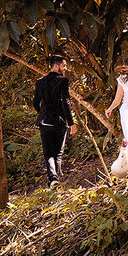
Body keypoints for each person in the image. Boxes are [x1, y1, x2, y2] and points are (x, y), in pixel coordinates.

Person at [34, 54, 77, 187]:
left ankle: (53, 179)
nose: (65, 68)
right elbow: (66, 102)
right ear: (56, 66)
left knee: (48, 153)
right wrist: (71, 123)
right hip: (59, 122)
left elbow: (36, 102)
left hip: (45, 122)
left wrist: (42, 113)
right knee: (57, 153)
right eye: (63, 66)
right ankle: (55, 180)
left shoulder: (40, 82)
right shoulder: (62, 81)